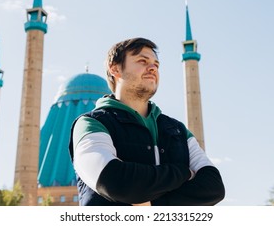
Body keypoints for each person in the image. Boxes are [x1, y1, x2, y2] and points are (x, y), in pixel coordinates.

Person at [69, 37, 225, 206]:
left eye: (156, 64)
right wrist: (184, 173)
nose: (152, 68)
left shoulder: (178, 131)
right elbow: (113, 181)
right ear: (115, 69)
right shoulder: (91, 124)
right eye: (142, 61)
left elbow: (213, 187)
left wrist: (151, 205)